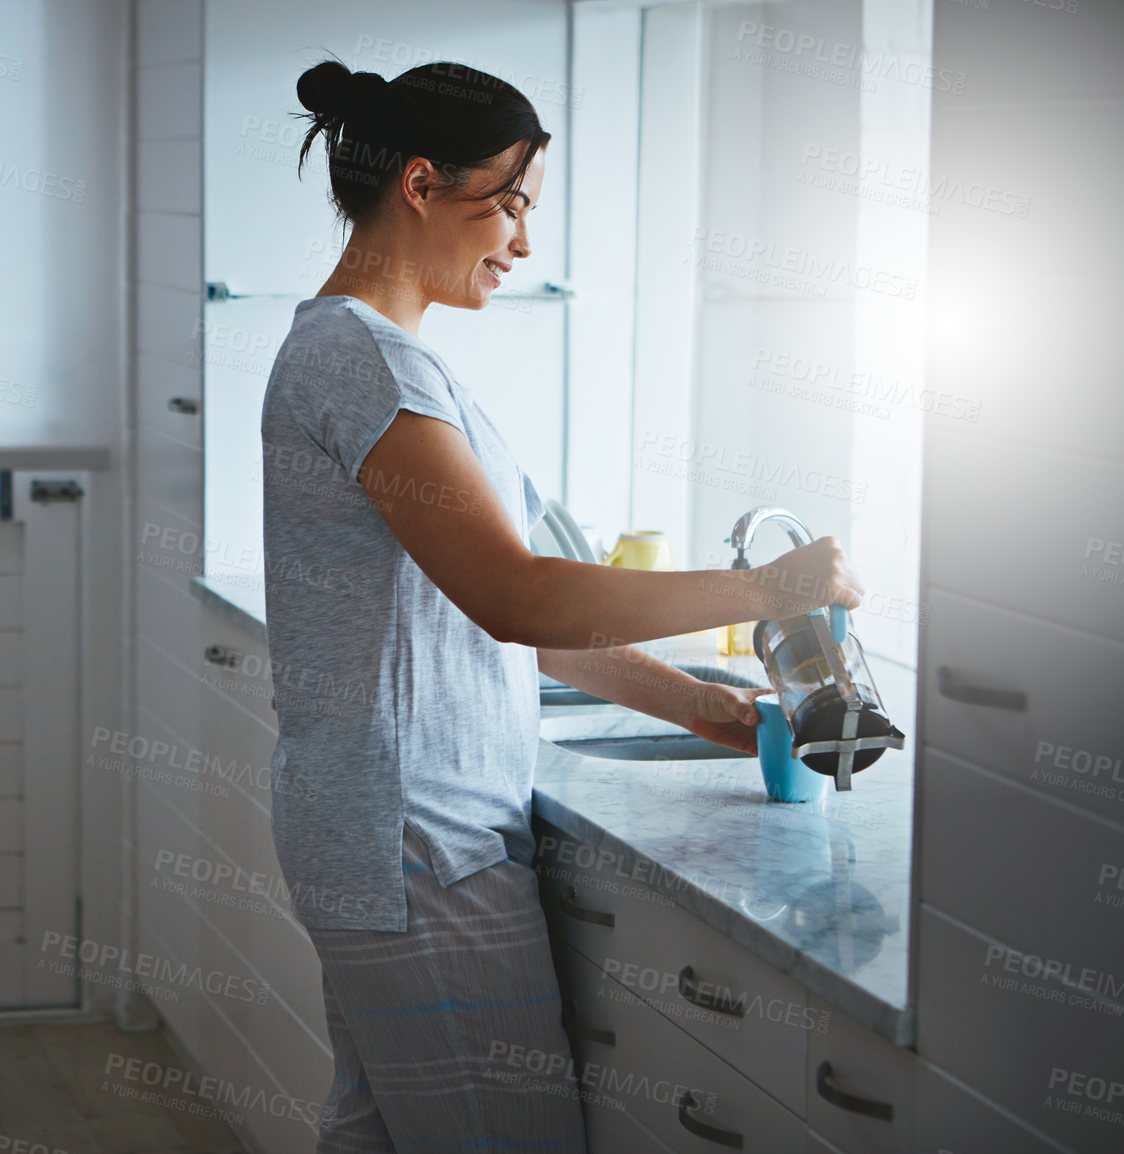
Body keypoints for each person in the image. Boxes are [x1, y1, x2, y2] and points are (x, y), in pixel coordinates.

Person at [259, 59, 863, 1152]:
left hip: (397, 833)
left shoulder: (393, 366)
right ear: (420, 182)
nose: (523, 243)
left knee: (379, 1130)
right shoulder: (359, 360)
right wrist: (771, 589)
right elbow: (512, 593)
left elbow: (530, 621)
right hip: (418, 842)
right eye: (512, 204)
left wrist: (706, 708)